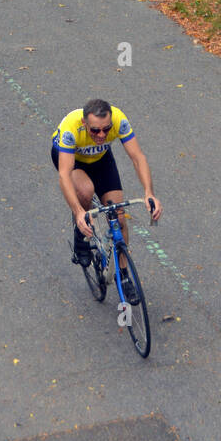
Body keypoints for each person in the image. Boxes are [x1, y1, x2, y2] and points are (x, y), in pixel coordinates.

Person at [52, 99, 161, 303]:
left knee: (119, 217)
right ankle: (81, 233)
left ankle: (124, 275)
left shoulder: (119, 119)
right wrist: (78, 212)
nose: (101, 135)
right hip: (72, 161)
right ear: (84, 124)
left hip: (101, 160)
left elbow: (138, 157)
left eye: (106, 130)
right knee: (85, 191)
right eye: (95, 131)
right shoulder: (70, 128)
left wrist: (149, 192)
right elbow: (64, 175)